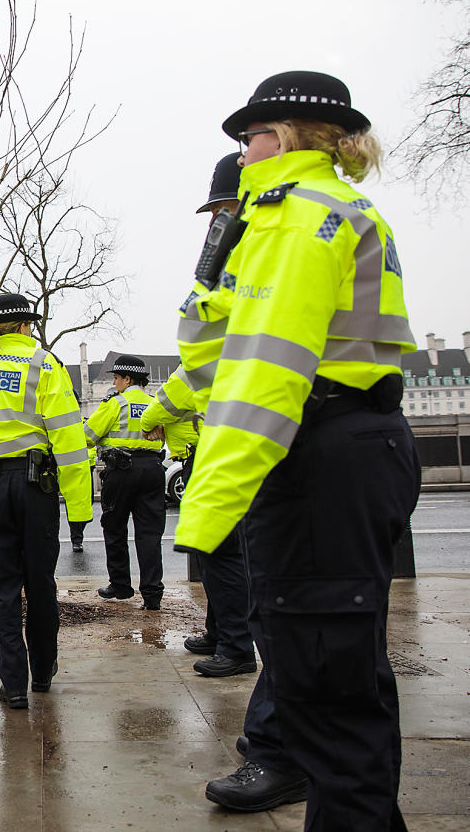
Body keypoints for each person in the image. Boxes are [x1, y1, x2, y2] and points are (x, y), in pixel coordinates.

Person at [175, 71, 421, 827]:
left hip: (318, 461)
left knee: (323, 691)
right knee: (344, 679)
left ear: (280, 136)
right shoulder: (334, 209)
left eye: (247, 140)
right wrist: (211, 287)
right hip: (357, 447)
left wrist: (205, 513)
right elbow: (216, 353)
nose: (241, 156)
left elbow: (265, 375)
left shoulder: (294, 217)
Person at [0, 294, 92, 709]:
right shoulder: (45, 364)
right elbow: (68, 438)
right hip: (35, 487)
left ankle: (13, 683)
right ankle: (43, 672)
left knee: (4, 584)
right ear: (26, 325)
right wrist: (79, 509)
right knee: (40, 581)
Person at [141, 154, 255, 678]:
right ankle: (221, 632)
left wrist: (152, 416)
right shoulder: (236, 266)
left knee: (226, 549)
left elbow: (200, 365)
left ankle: (235, 643)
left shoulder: (248, 266)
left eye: (222, 209)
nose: (215, 222)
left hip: (237, 432)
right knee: (215, 545)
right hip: (224, 430)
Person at [83, 354, 166, 610]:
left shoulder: (116, 403)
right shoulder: (155, 403)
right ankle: (152, 594)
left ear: (128, 379)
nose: (115, 383)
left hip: (121, 471)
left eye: (117, 378)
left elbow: (89, 434)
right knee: (150, 533)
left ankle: (120, 585)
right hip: (152, 469)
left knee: (115, 527)